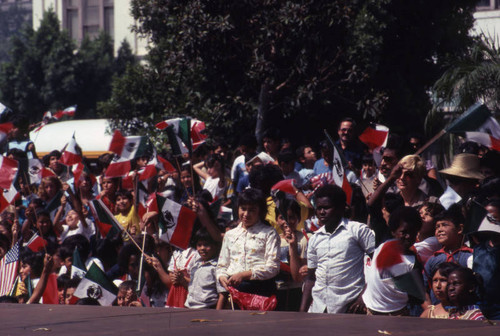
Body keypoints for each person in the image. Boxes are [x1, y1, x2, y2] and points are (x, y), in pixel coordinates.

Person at [300, 185, 375, 314]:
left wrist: (364, 296)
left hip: (349, 307)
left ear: (341, 208)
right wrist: (302, 311)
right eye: (319, 208)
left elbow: (378, 267)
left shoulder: (358, 231)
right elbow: (311, 278)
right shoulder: (314, 238)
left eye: (327, 207)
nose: (322, 212)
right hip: (319, 308)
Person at [217, 188, 280, 303]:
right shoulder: (230, 235)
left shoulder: (269, 233)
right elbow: (222, 265)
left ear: (260, 212)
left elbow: (273, 267)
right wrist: (222, 277)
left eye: (252, 210)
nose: (246, 214)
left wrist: (244, 275)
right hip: (235, 292)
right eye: (243, 209)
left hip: (261, 291)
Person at [363, 207, 424, 316]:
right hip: (371, 311)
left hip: (398, 314)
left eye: (413, 233)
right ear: (393, 232)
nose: (408, 236)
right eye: (403, 232)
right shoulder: (382, 242)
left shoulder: (413, 261)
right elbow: (372, 205)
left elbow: (416, 296)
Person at [423, 204, 473, 305]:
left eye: (444, 225)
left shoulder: (471, 256)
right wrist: (429, 309)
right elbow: (423, 290)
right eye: (437, 227)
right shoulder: (433, 259)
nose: (439, 230)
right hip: (438, 314)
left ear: (460, 229)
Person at [184, 228, 225, 309]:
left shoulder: (218, 267)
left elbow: (222, 294)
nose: (202, 248)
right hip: (189, 307)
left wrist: (218, 313)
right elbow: (193, 288)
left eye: (206, 244)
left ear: (216, 246)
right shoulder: (196, 265)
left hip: (207, 309)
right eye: (199, 245)